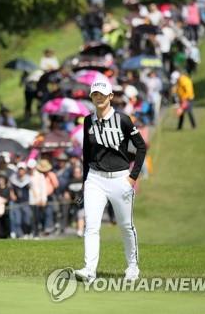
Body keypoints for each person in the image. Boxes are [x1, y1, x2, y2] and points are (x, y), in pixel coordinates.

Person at [75, 78, 146, 283]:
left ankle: (132, 267)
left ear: (111, 97)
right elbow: (86, 155)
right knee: (91, 226)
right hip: (95, 179)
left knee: (125, 226)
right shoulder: (88, 121)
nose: (98, 98)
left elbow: (141, 147)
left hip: (120, 179)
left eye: (102, 94)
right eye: (95, 94)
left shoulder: (123, 120)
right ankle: (89, 269)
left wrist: (133, 177)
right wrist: (84, 183)